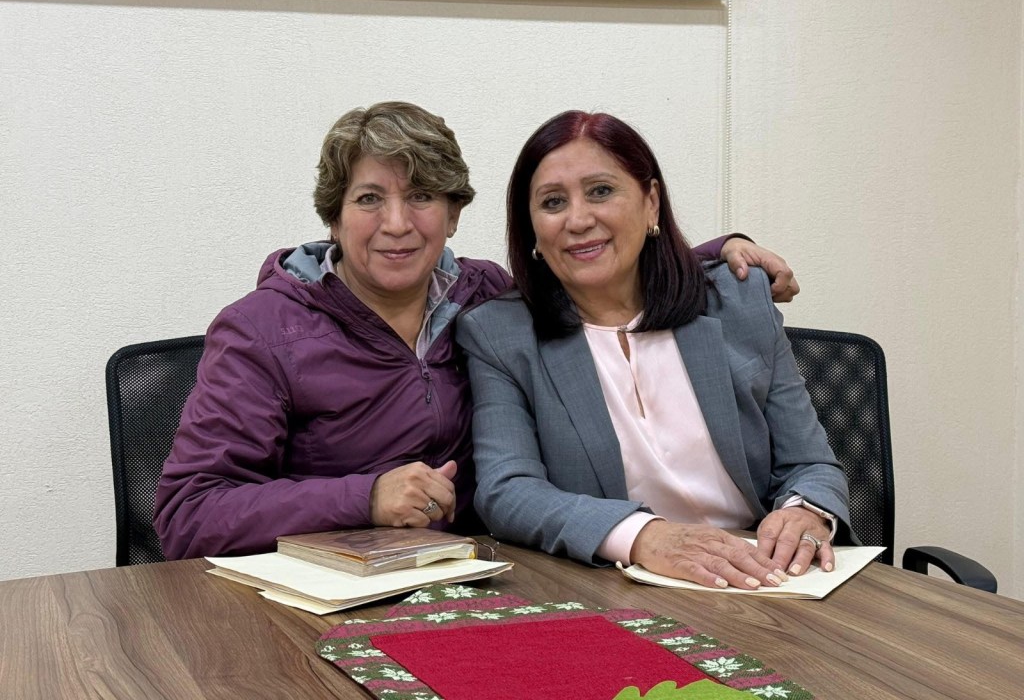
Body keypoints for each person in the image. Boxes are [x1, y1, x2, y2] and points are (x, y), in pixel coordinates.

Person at [154, 101, 797, 560]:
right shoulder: (261, 331)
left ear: (455, 215)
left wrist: (718, 257)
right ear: (333, 216)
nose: (398, 224)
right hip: (315, 599)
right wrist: (363, 497)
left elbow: (594, 268)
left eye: (423, 197)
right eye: (370, 198)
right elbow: (188, 516)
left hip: (479, 584)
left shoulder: (484, 298)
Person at [456, 110, 852, 590]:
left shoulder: (738, 301)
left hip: (764, 581)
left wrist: (806, 511)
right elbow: (508, 492)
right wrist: (642, 535)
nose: (579, 219)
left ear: (650, 204)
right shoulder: (500, 333)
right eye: (553, 202)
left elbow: (809, 463)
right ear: (532, 229)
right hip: (614, 587)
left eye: (601, 191)